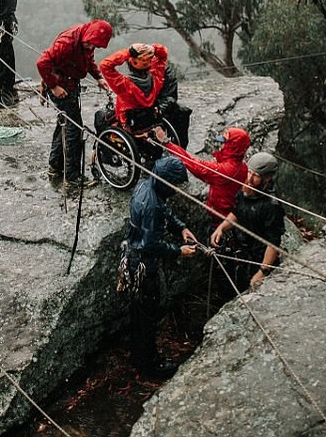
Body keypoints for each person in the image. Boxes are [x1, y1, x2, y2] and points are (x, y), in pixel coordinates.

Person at [117, 156, 199, 377]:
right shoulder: (151, 204)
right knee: (147, 314)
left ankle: (138, 352)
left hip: (133, 258)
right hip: (143, 264)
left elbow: (164, 211)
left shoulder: (146, 184)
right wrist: (178, 250)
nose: (176, 189)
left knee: (139, 311)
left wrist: (180, 227)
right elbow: (150, 243)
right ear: (166, 182)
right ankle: (148, 365)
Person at [36, 19, 113, 187]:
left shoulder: (86, 41)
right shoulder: (66, 43)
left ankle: (55, 166)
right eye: (90, 44)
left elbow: (88, 60)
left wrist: (99, 77)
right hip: (60, 86)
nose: (92, 48)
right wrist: (54, 86)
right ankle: (72, 177)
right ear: (88, 36)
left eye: (95, 46)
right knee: (74, 131)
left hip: (70, 84)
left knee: (64, 124)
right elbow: (42, 63)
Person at [209, 152, 284, 292]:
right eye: (249, 173)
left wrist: (262, 272)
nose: (249, 178)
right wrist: (222, 228)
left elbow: (273, 242)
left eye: (255, 176)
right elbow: (237, 213)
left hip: (260, 259)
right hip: (242, 254)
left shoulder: (272, 206)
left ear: (267, 179)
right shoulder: (246, 191)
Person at [152, 126, 251, 231]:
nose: (221, 145)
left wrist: (166, 142)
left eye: (224, 142)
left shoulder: (225, 170)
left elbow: (193, 164)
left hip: (221, 221)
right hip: (228, 213)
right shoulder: (242, 166)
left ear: (233, 147)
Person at [98, 43, 169, 132]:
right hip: (149, 121)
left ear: (131, 62)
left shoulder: (123, 84)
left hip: (129, 126)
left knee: (100, 116)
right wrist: (151, 48)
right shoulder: (156, 79)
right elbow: (163, 55)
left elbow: (105, 65)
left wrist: (128, 52)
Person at [155, 62, 192, 149]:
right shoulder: (137, 74)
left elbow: (170, 97)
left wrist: (160, 109)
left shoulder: (165, 71)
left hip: (161, 106)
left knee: (182, 113)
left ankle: (180, 150)